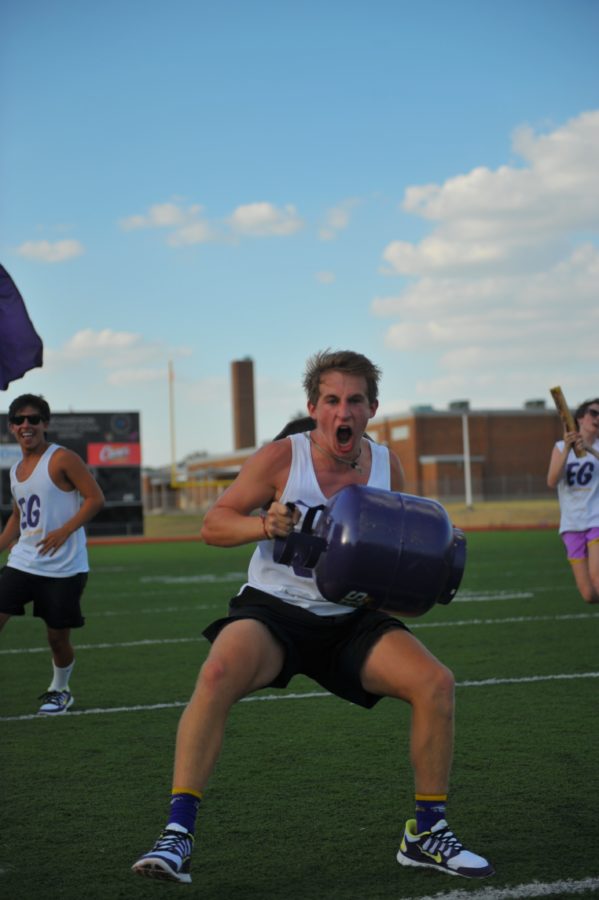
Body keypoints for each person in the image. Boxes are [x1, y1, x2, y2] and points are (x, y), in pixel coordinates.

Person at [132, 350, 494, 884]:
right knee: (216, 673)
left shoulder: (387, 464)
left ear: (372, 408)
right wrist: (264, 526)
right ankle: (176, 836)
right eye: (331, 400)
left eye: (353, 400)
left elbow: (397, 550)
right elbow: (214, 524)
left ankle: (426, 834)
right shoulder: (284, 456)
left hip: (350, 615)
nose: (341, 412)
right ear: (313, 406)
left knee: (435, 683)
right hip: (275, 610)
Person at [0, 393, 105, 713]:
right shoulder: (15, 470)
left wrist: (65, 530)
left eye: (33, 419)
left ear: (45, 424)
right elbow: (18, 517)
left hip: (63, 568)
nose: (26, 425)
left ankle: (60, 689)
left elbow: (95, 498)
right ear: (11, 427)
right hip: (23, 560)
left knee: (57, 639)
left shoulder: (61, 458)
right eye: (19, 420)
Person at [547, 396, 599, 604]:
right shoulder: (560, 447)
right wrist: (569, 449)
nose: (597, 418)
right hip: (571, 524)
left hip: (596, 520)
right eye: (593, 413)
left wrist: (590, 450)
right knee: (588, 595)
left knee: (597, 579)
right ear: (580, 418)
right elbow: (552, 481)